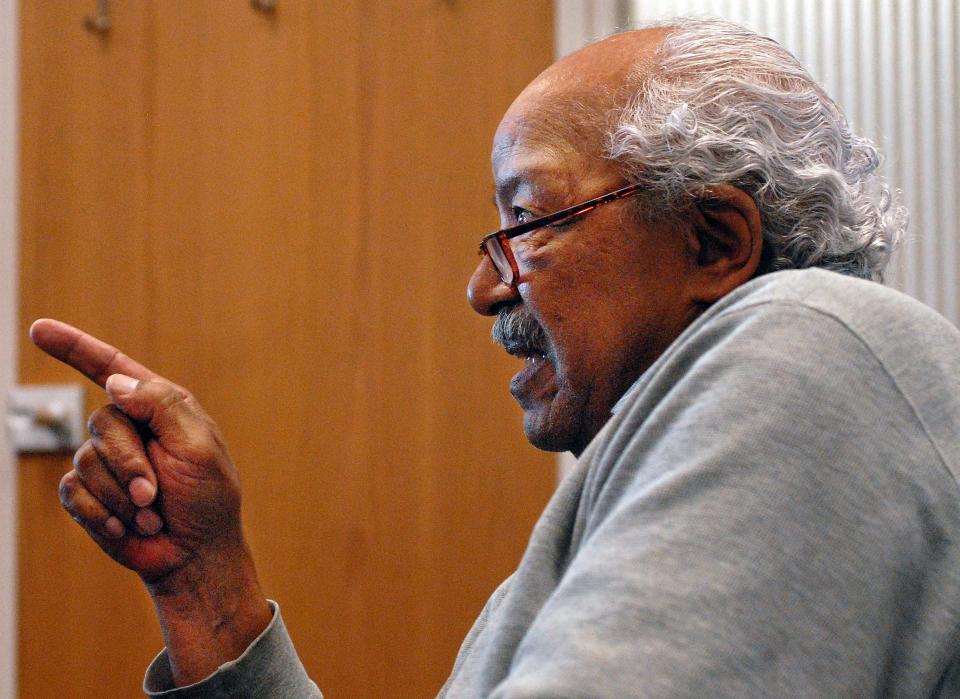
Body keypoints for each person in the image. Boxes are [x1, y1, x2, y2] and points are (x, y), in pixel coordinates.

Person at [30, 17, 960, 698]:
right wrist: (205, 586)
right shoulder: (627, 489)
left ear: (715, 242)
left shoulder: (816, 344)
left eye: (528, 219)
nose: (484, 288)